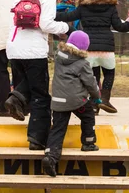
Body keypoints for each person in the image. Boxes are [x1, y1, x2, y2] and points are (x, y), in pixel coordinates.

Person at [4, 0, 69, 150]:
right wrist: (65, 28)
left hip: (14, 48)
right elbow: (46, 24)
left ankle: (16, 97)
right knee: (40, 95)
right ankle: (37, 139)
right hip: (34, 51)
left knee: (29, 88)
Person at [55, 0, 129, 114]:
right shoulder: (111, 7)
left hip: (89, 47)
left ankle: (94, 104)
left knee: (93, 76)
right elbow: (119, 26)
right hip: (106, 47)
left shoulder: (83, 6)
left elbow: (67, 16)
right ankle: (105, 98)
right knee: (109, 73)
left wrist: (50, 15)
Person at [42, 31, 102, 177]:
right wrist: (96, 97)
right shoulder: (82, 63)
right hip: (77, 101)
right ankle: (88, 142)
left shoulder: (58, 57)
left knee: (58, 128)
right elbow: (90, 83)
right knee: (88, 116)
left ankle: (51, 156)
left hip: (57, 101)